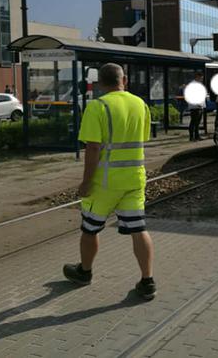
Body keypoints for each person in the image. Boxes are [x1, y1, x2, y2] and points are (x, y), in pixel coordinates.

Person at [63, 63, 156, 300]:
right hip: (134, 179)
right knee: (138, 229)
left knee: (90, 229)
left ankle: (84, 272)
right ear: (123, 79)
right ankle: (147, 281)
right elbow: (140, 140)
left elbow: (93, 148)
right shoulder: (140, 104)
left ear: (99, 84)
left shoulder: (97, 107)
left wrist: (86, 182)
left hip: (104, 183)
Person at [188, 72, 204, 141]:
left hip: (199, 106)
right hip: (195, 107)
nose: (201, 79)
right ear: (197, 77)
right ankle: (191, 137)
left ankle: (197, 136)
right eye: (200, 78)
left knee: (197, 123)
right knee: (193, 122)